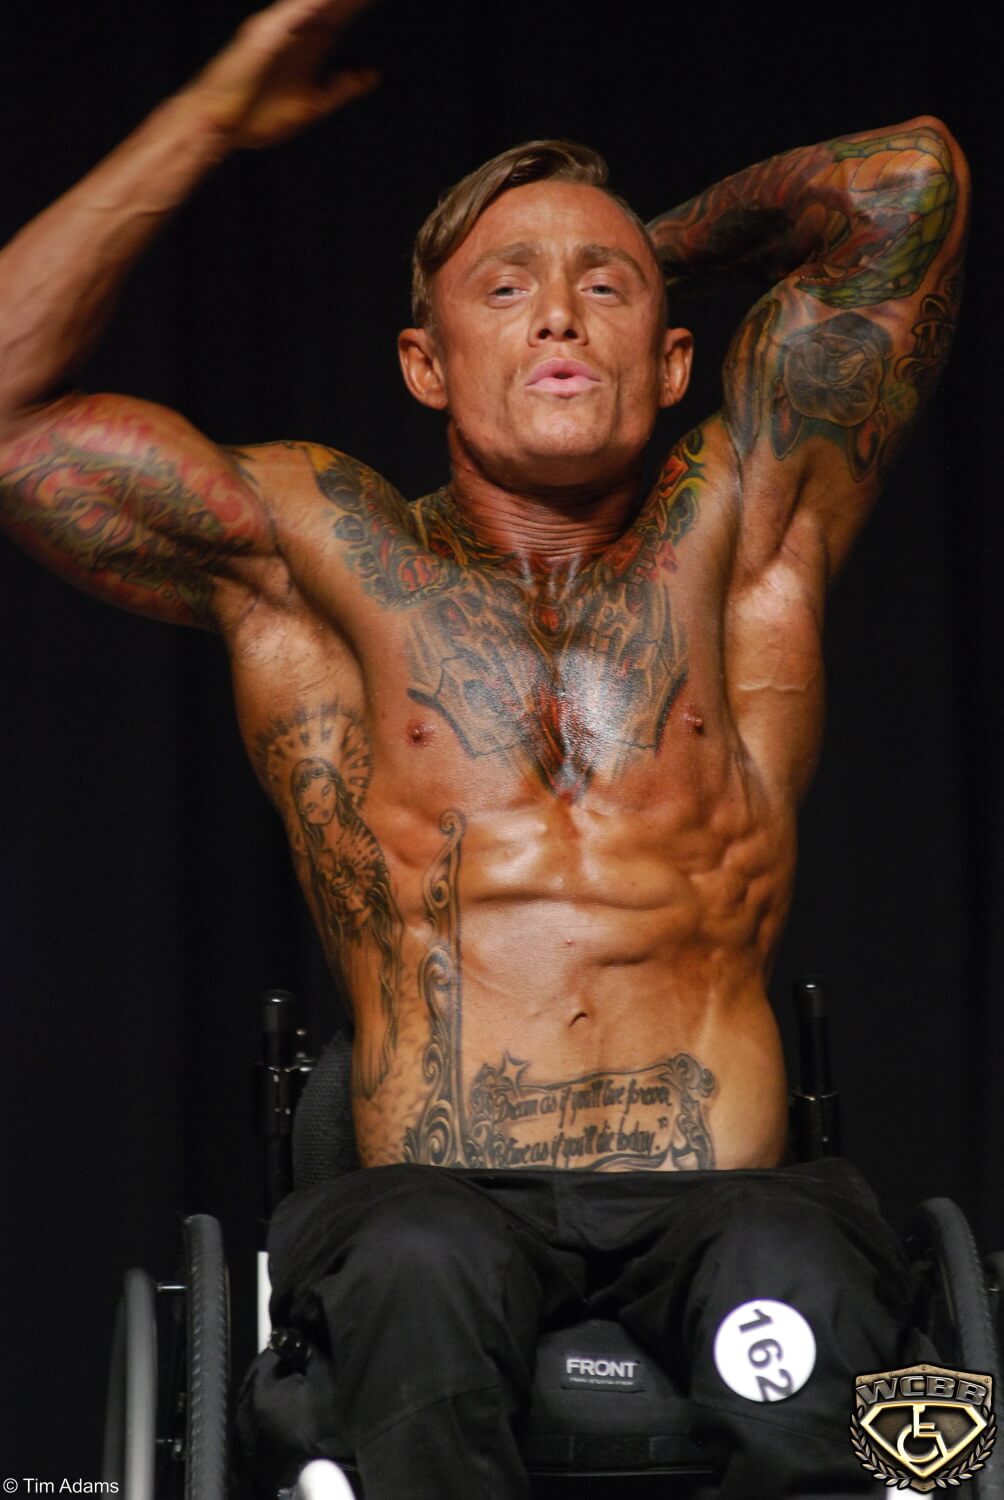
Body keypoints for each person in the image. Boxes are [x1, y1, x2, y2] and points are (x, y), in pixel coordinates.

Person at [0, 0, 971, 1495]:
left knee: (815, 1282)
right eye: (505, 290)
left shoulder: (748, 535)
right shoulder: (323, 564)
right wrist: (205, 118)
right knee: (415, 1266)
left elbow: (909, 181)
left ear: (673, 359)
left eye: (604, 292)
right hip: (431, 1201)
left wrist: (644, 246)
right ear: (426, 364)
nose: (560, 316)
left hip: (732, 1201)